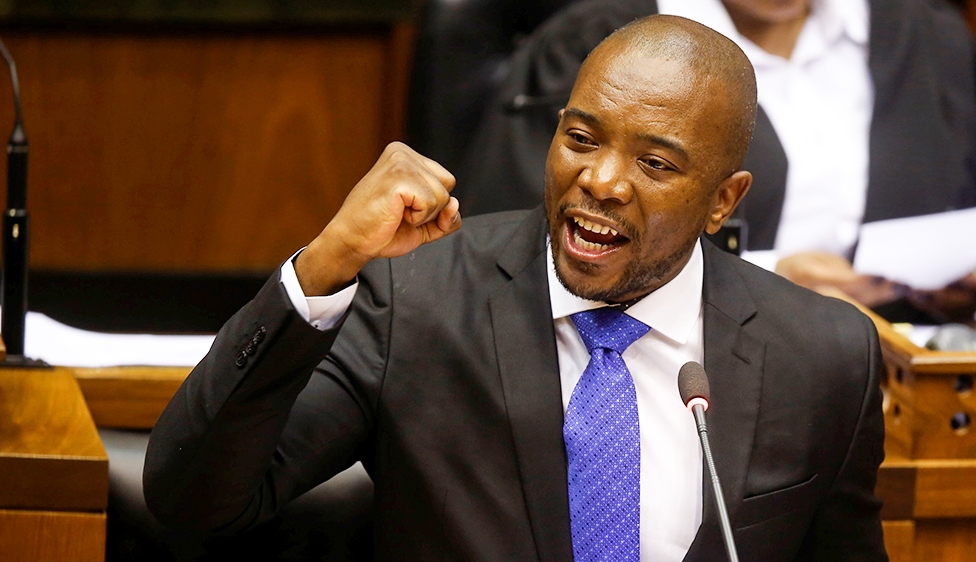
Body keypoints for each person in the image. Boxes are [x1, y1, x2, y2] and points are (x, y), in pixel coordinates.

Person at [144, 16, 887, 561]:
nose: (599, 180)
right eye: (582, 139)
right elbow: (194, 503)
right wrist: (325, 264)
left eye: (655, 164)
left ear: (724, 200)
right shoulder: (415, 301)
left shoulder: (822, 355)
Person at [453, 0, 976, 322]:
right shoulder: (603, 47)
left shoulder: (932, 41)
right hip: (676, 382)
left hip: (920, 390)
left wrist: (964, 282)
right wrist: (769, 281)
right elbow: (518, 260)